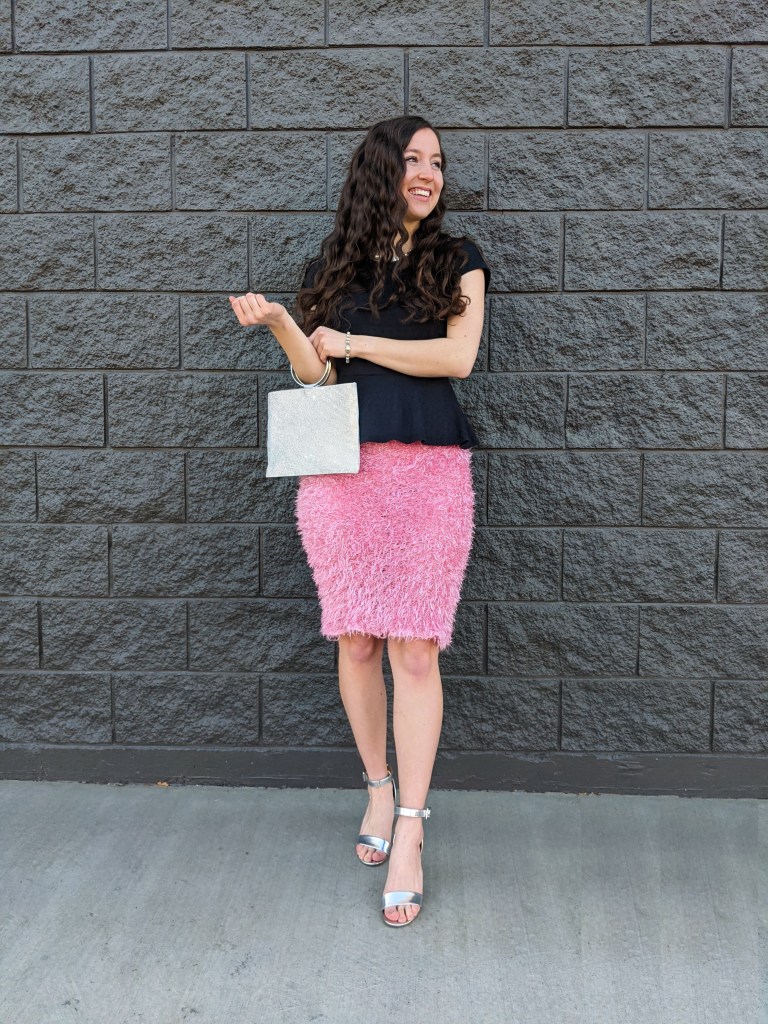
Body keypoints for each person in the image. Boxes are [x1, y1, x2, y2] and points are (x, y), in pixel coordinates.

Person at [228, 115, 490, 928]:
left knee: (416, 647)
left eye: (437, 163)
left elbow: (456, 358)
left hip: (431, 473)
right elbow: (318, 371)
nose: (429, 174)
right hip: (345, 475)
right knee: (356, 639)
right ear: (380, 169)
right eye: (413, 160)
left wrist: (356, 340)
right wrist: (282, 327)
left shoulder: (460, 259)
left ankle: (410, 828)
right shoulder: (332, 266)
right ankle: (376, 791)